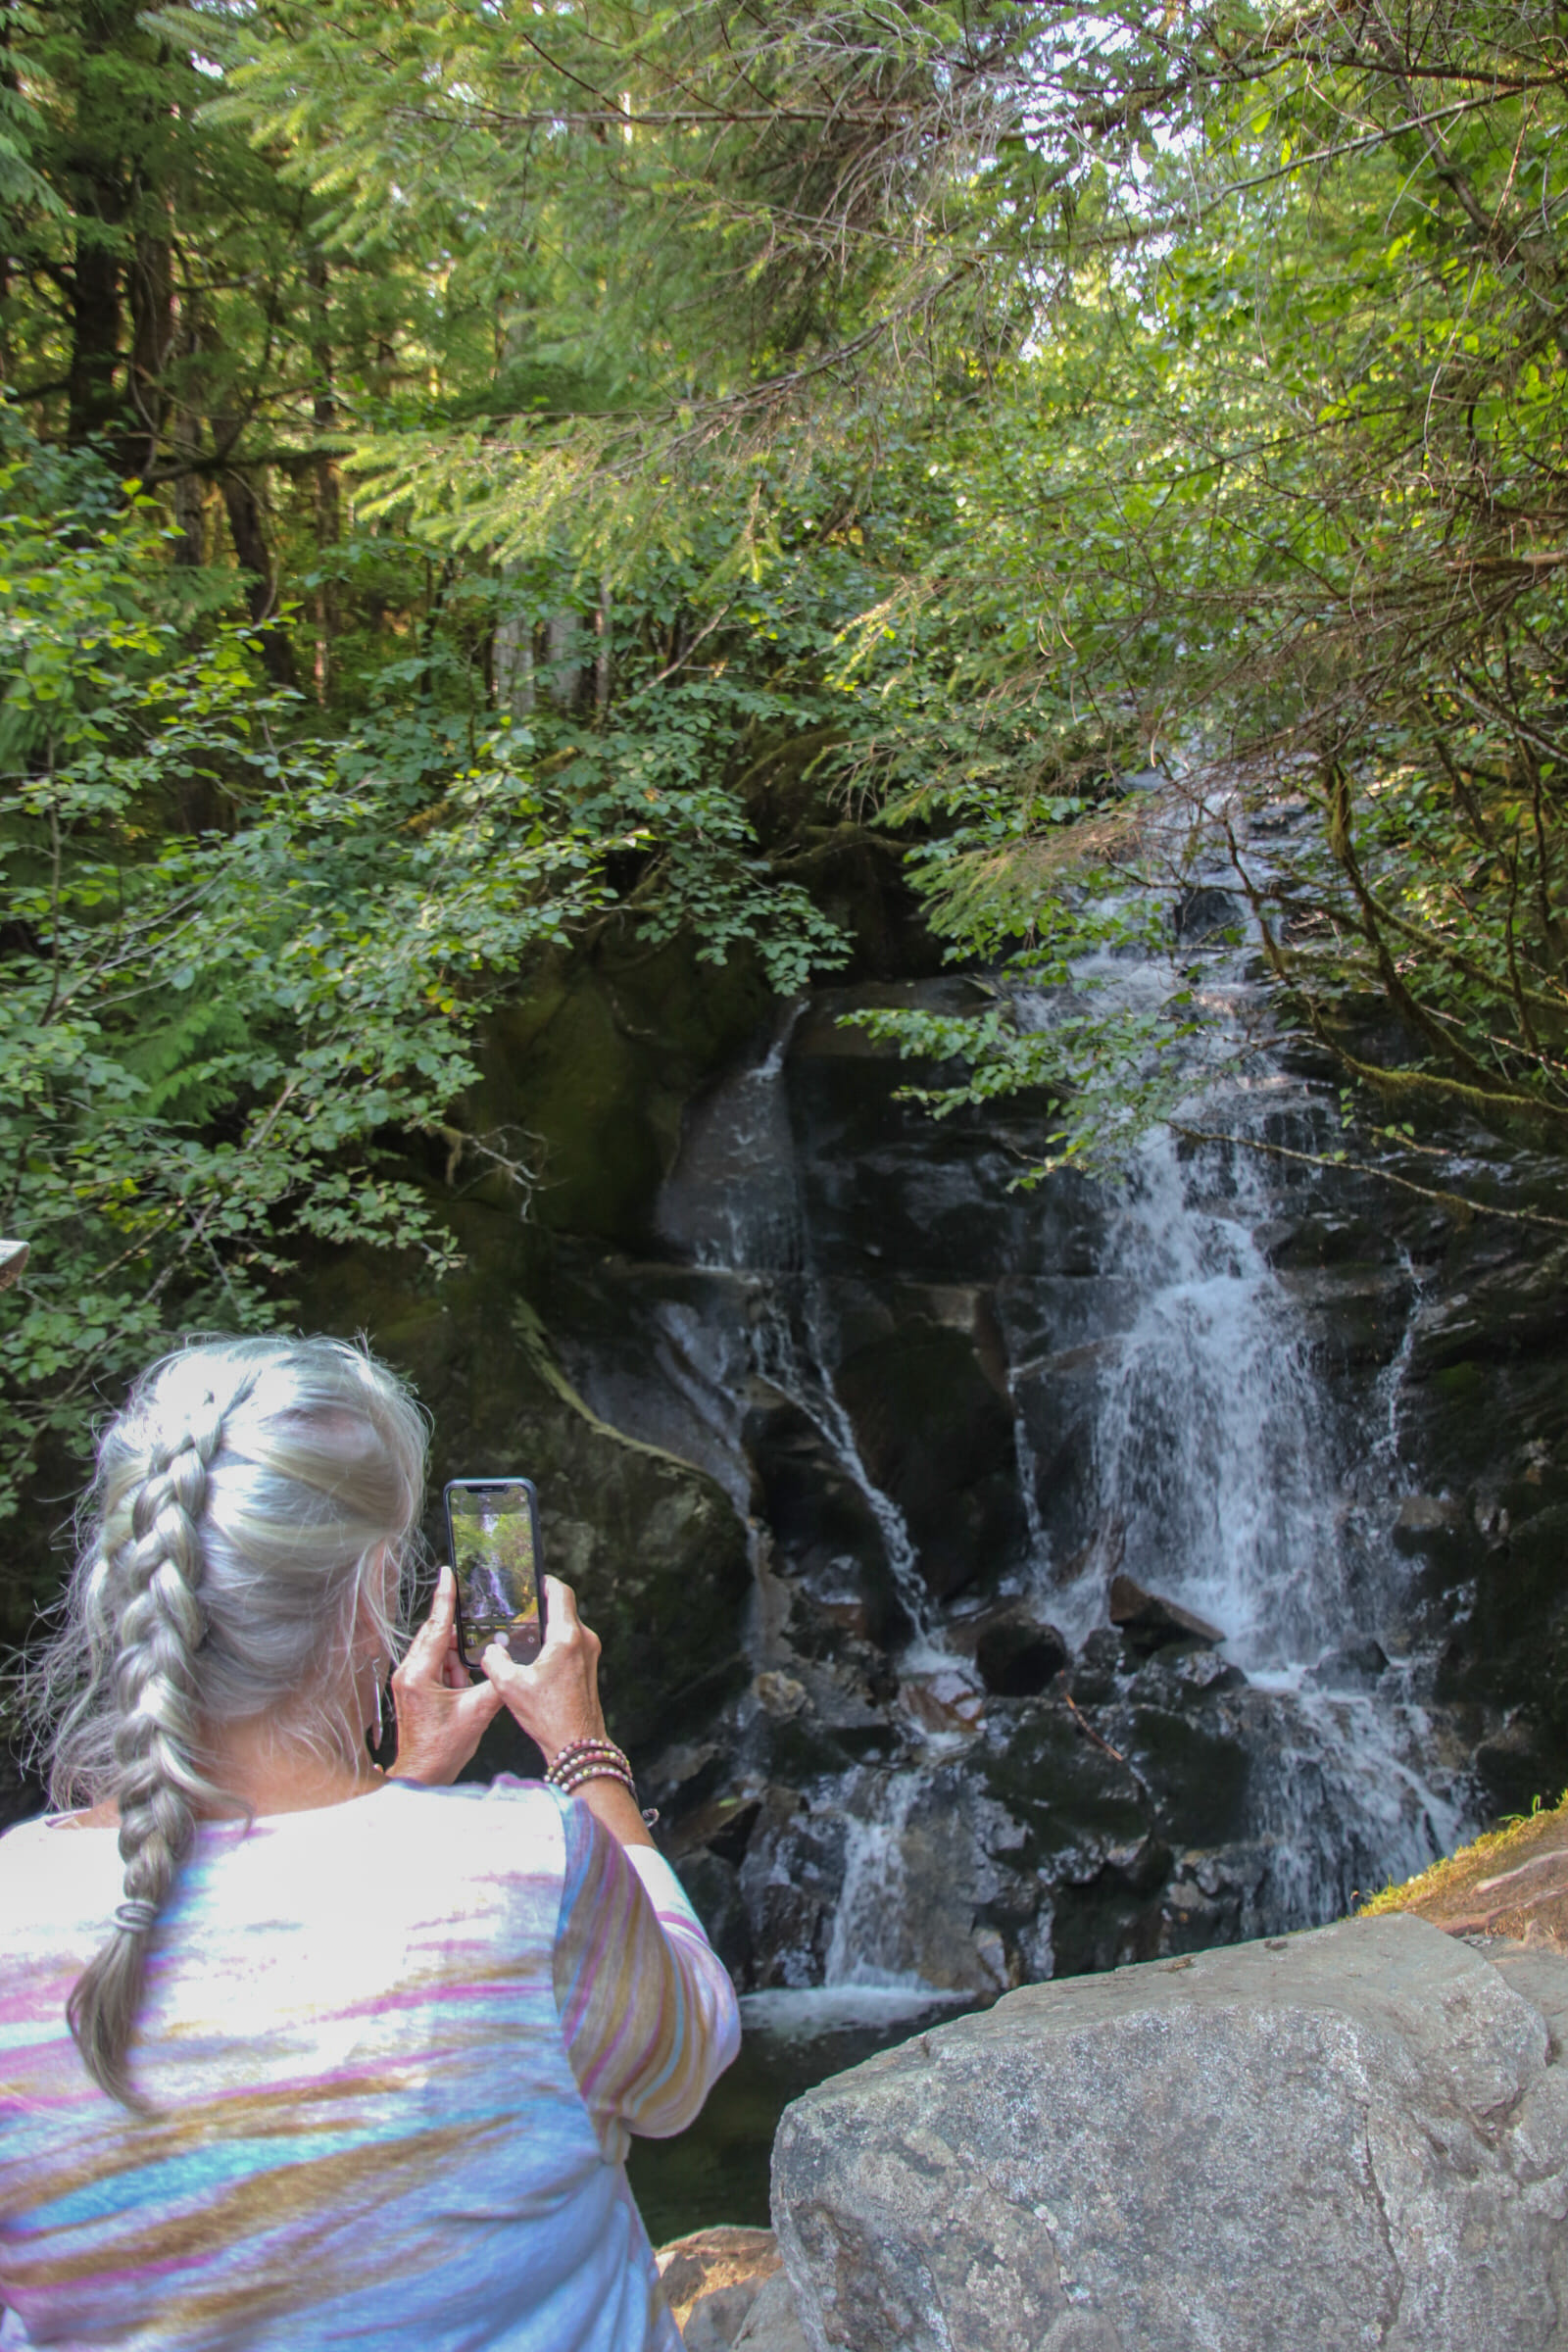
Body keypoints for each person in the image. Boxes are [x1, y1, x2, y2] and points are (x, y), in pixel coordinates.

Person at [0, 1336, 740, 2351]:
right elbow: (683, 2061)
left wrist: (404, 1787)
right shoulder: (528, 1870)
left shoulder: (16, 1895)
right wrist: (582, 1749)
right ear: (373, 1589)